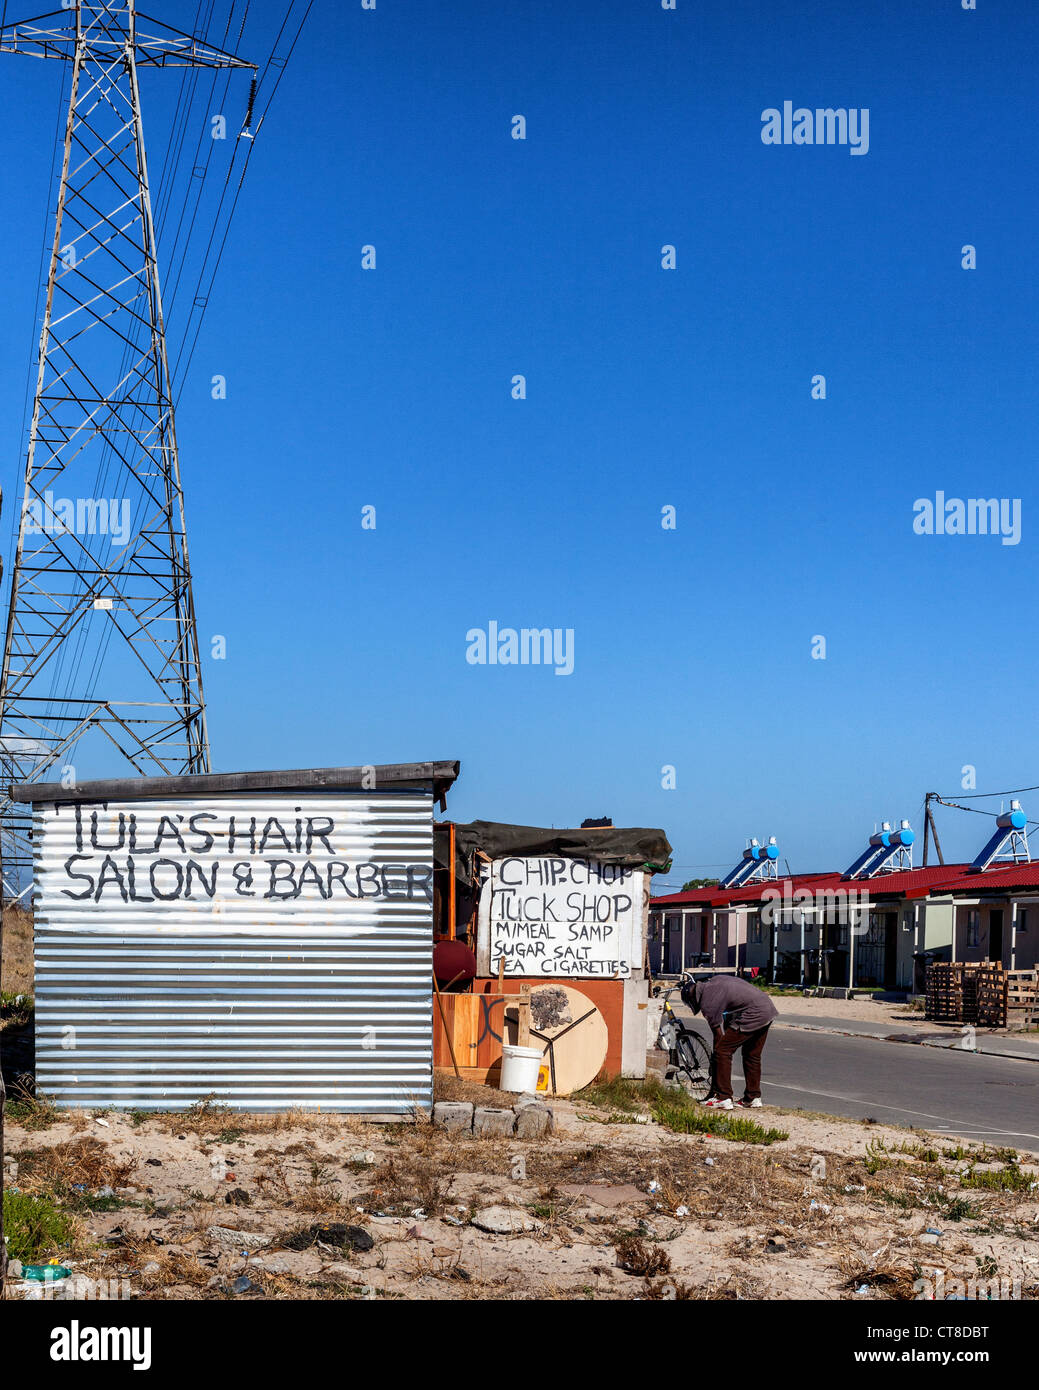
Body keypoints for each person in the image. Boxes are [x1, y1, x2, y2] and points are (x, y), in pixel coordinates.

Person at [681, 974, 778, 1110]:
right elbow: (730, 1017)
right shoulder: (714, 983)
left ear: (693, 999)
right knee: (752, 1055)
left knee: (723, 1051)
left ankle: (723, 1097)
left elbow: (718, 1035)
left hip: (753, 1013)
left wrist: (716, 1061)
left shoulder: (707, 1002)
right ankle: (753, 1097)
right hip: (767, 1008)